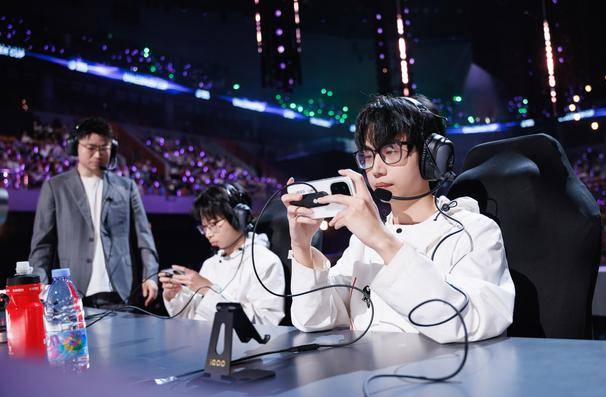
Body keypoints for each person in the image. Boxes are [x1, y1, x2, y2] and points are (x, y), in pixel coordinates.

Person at [282, 94, 515, 344]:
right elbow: (314, 319)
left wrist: (382, 240)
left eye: (391, 151)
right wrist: (301, 248)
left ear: (431, 157)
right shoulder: (363, 241)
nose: (376, 169)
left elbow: (465, 323)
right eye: (368, 155)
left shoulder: (475, 232)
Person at [29, 117, 159, 308]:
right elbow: (42, 245)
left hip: (120, 293)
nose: (98, 154)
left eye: (104, 148)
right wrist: (40, 285)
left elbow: (144, 237)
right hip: (71, 294)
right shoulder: (55, 187)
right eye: (91, 148)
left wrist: (150, 276)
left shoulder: (127, 187)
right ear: (76, 146)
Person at [161, 183, 285, 325]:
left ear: (239, 217)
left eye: (213, 224)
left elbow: (266, 322)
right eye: (204, 227)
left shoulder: (265, 262)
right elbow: (195, 316)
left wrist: (209, 290)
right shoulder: (210, 264)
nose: (208, 234)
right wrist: (176, 296)